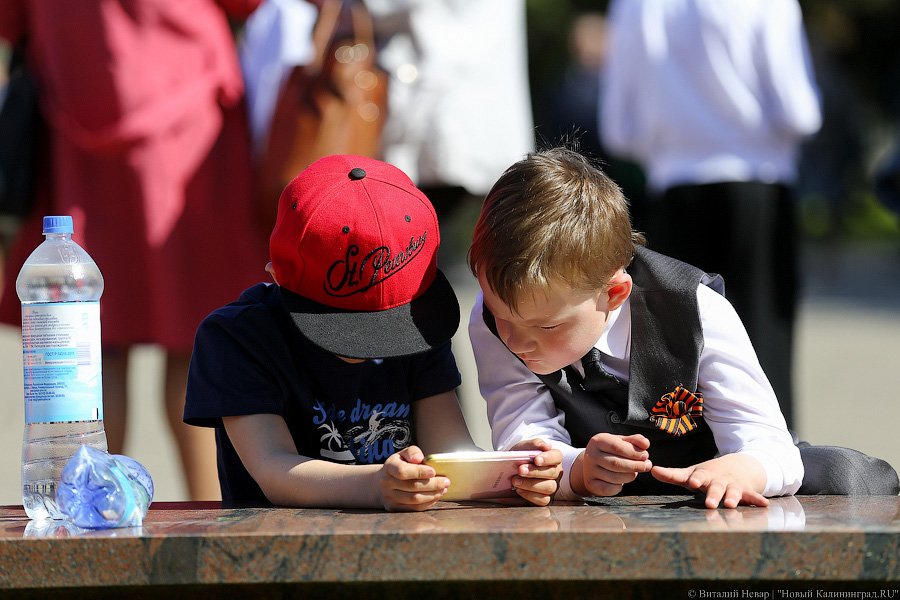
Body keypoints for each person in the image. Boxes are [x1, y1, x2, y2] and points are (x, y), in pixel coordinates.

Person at [468, 147, 899, 508]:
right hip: (600, 493)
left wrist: (741, 469)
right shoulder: (496, 317)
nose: (514, 340)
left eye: (546, 326)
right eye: (503, 318)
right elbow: (522, 437)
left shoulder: (694, 309)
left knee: (844, 477)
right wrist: (573, 469)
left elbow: (764, 438)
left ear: (614, 294)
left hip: (716, 475)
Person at [184, 154, 562, 510]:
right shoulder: (237, 338)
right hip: (276, 554)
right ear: (275, 274)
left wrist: (510, 475)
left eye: (391, 328)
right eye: (346, 327)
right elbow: (274, 468)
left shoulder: (419, 325)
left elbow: (450, 449)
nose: (372, 348)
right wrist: (377, 485)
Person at [0, 0, 269, 500]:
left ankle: (86, 515)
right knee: (198, 343)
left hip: (75, 116)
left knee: (90, 345)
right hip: (191, 127)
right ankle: (214, 526)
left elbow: (11, 20)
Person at [599, 0, 823, 428]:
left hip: (671, 186)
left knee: (677, 339)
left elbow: (619, 129)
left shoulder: (633, 6)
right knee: (763, 335)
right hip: (758, 178)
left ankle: (678, 450)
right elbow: (799, 113)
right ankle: (772, 454)